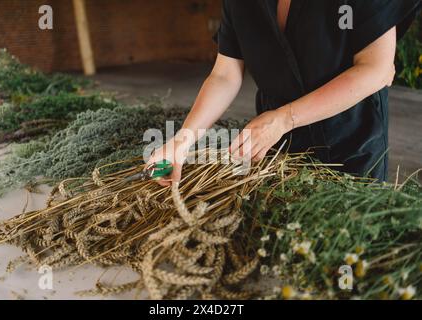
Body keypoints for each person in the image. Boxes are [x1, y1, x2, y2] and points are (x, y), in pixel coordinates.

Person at [148, 0, 421, 185]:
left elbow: (375, 69)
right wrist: (181, 142)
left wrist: (284, 118)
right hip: (279, 147)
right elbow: (224, 75)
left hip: (351, 137)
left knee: (345, 250)